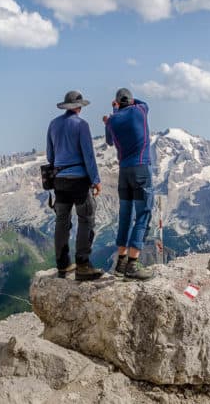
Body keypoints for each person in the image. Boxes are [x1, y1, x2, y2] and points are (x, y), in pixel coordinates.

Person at [47, 90, 103, 281]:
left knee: (62, 221)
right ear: (79, 107)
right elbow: (88, 155)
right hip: (78, 180)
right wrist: (95, 180)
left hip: (59, 181)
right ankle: (83, 265)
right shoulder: (82, 125)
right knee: (86, 218)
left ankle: (63, 265)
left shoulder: (53, 124)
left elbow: (50, 156)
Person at [103, 88, 155, 280]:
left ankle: (120, 263)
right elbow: (139, 102)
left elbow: (109, 141)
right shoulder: (140, 110)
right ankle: (133, 265)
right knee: (143, 214)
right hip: (141, 169)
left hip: (124, 173)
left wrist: (114, 112)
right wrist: (120, 106)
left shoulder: (112, 121)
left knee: (125, 215)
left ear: (118, 102)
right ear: (131, 101)